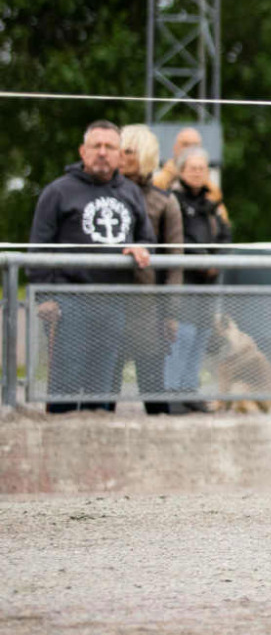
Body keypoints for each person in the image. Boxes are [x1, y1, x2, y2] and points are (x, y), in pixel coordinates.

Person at [27, 120, 155, 413]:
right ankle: (59, 445)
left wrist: (140, 247)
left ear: (120, 155)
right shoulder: (57, 192)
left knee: (105, 387)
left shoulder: (131, 193)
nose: (102, 152)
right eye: (96, 146)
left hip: (114, 302)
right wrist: (45, 297)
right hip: (70, 302)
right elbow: (38, 246)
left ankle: (100, 449)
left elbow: (147, 238)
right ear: (82, 152)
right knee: (66, 385)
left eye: (110, 147)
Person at [120, 124, 185, 415]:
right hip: (108, 301)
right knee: (102, 388)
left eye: (128, 151)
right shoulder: (105, 196)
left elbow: (175, 262)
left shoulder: (164, 201)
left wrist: (171, 311)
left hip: (148, 308)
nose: (119, 156)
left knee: (154, 389)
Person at [165, 148, 230, 410]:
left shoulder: (212, 205)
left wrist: (217, 260)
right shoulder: (173, 201)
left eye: (202, 168)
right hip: (183, 282)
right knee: (183, 335)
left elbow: (225, 236)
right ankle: (170, 394)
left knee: (202, 334)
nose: (197, 172)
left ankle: (188, 389)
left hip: (207, 286)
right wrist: (202, 259)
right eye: (192, 167)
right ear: (181, 171)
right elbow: (176, 238)